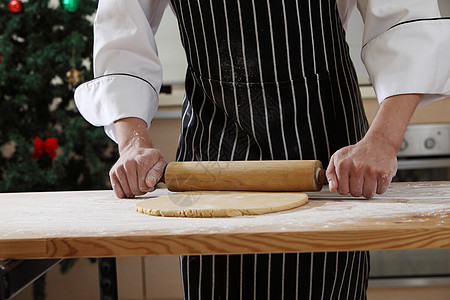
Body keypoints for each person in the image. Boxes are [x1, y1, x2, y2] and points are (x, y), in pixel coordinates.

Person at [75, 0, 450, 298]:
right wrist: (132, 144)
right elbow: (123, 39)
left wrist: (382, 140)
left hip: (321, 135)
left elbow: (405, 23)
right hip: (215, 140)